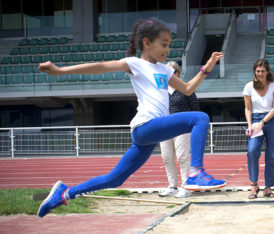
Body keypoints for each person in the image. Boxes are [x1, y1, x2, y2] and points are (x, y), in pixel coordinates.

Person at [37, 19, 226, 218]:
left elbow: (187, 89)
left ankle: (65, 193)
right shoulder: (135, 64)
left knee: (115, 179)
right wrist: (60, 71)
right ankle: (195, 172)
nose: (168, 49)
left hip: (147, 135)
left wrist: (208, 66)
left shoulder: (164, 70)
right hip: (146, 125)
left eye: (169, 45)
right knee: (200, 118)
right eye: (164, 44)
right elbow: (99, 67)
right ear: (147, 43)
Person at [158, 61, 200, 198]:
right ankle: (172, 186)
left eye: (173, 72)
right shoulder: (160, 91)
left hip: (182, 128)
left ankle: (186, 187)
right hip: (164, 128)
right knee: (166, 157)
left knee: (182, 157)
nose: (170, 74)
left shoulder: (186, 89)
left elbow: (195, 109)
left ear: (178, 73)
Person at [243, 59, 274, 199]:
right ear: (254, 71)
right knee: (252, 151)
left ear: (267, 72)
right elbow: (248, 108)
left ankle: (268, 187)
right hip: (255, 119)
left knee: (272, 154)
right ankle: (254, 185)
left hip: (273, 120)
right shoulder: (248, 87)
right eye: (258, 71)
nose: (260, 73)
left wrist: (263, 122)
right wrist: (249, 125)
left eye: (263, 71)